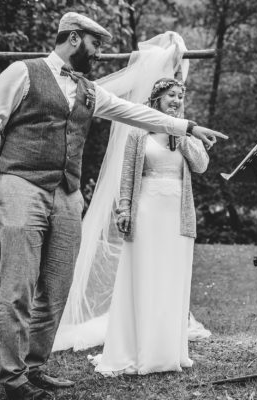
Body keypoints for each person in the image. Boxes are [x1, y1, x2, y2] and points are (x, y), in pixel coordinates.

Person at [0, 13, 227, 400]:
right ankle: (13, 378)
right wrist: (2, 177)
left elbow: (135, 113)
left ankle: (36, 367)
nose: (100, 54)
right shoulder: (21, 73)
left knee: (56, 288)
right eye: (96, 44)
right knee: (19, 287)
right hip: (22, 187)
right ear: (74, 39)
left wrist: (186, 127)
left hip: (68, 196)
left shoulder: (89, 90)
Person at [86, 77, 207, 376]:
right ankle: (138, 348)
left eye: (180, 96)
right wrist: (124, 208)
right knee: (144, 276)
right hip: (147, 213)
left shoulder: (185, 134)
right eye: (171, 95)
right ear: (157, 99)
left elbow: (202, 165)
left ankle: (169, 350)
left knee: (172, 279)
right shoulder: (139, 134)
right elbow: (128, 175)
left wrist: (182, 138)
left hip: (177, 217)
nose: (177, 100)